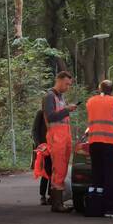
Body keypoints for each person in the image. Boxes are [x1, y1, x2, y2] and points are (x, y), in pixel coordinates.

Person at [85, 79, 113, 218]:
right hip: (109, 143)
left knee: (96, 174)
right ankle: (110, 208)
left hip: (93, 142)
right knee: (109, 175)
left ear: (99, 89)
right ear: (112, 90)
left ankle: (95, 207)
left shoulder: (90, 101)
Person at [44, 71, 77, 213]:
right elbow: (51, 116)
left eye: (69, 85)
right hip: (56, 137)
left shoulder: (61, 97)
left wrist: (67, 109)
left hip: (64, 136)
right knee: (58, 168)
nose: (67, 87)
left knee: (62, 168)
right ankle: (56, 204)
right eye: (66, 84)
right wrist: (67, 110)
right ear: (58, 80)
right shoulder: (49, 96)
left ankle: (57, 201)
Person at [31, 109, 52, 205]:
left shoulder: (55, 113)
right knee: (46, 170)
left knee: (54, 171)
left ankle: (52, 195)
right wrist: (39, 144)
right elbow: (34, 130)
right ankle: (43, 195)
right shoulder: (41, 113)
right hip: (44, 147)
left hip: (54, 146)